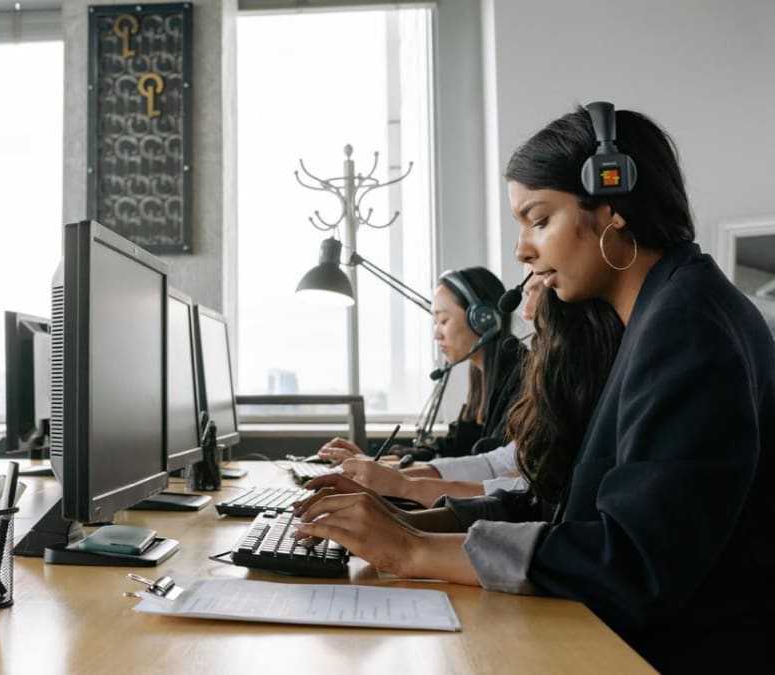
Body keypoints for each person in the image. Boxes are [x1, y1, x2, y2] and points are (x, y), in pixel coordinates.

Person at [292, 104, 775, 671]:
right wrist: (405, 523)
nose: (523, 250)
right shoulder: (654, 316)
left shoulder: (686, 325)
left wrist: (413, 550)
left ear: (611, 208)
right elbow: (561, 507)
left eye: (539, 219)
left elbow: (634, 563)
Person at [319, 266, 527, 466]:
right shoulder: (482, 379)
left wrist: (380, 468)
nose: (436, 334)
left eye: (444, 320)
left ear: (483, 320)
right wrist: (371, 461)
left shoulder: (522, 380)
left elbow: (485, 466)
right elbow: (451, 450)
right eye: (434, 323)